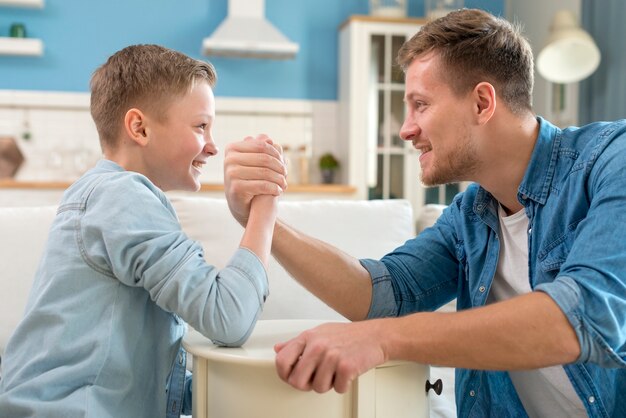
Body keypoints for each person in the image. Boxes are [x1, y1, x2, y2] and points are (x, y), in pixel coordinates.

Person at [222, 9, 626, 418]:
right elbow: (383, 295)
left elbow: (584, 314)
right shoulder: (471, 214)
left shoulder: (612, 162)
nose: (405, 129)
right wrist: (262, 219)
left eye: (420, 105)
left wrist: (380, 339)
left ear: (483, 103)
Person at [0, 44, 287, 417]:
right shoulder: (122, 197)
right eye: (201, 126)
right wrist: (265, 204)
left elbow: (142, 377)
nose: (213, 146)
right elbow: (228, 317)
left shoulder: (110, 197)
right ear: (139, 127)